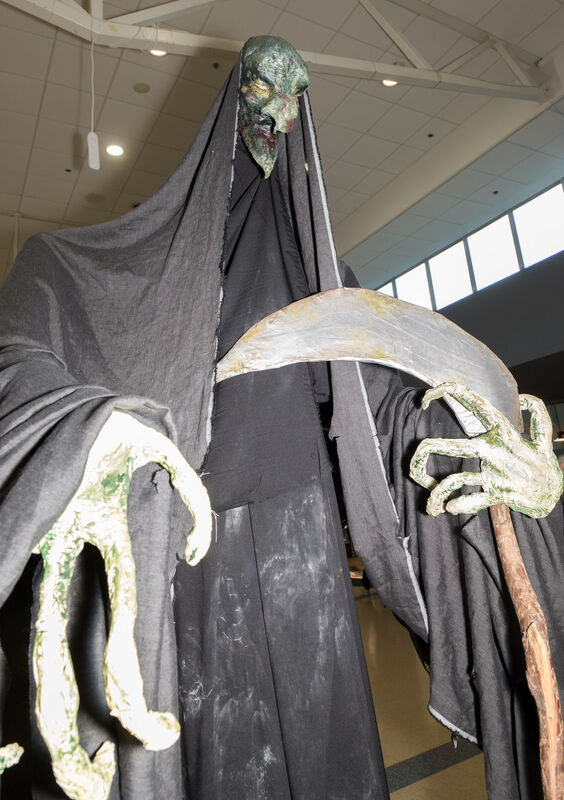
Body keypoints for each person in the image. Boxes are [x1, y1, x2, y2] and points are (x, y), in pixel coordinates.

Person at [0, 35, 562, 800]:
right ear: (227, 114)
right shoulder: (105, 270)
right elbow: (21, 353)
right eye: (259, 92)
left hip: (309, 565)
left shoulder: (330, 294)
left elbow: (400, 416)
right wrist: (84, 431)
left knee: (329, 762)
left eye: (293, 97)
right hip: (190, 559)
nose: (276, 115)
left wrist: (490, 450)